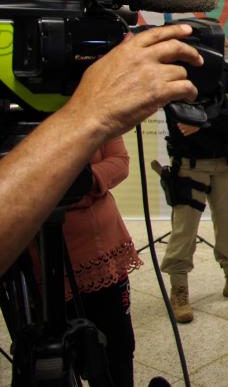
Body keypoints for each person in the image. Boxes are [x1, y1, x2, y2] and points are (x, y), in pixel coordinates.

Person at [0, 24, 202, 275]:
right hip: (35, 252)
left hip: (100, 235)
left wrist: (88, 180)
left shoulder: (90, 102)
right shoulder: (87, 106)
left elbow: (119, 161)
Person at [161, 26, 228, 323]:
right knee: (184, 230)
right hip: (190, 165)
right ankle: (179, 289)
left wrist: (203, 121)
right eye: (221, 41)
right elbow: (179, 119)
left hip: (225, 165)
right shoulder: (178, 75)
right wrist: (210, 121)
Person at [40, 136, 140, 386]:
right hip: (41, 260)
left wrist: (84, 183)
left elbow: (119, 162)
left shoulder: (95, 109)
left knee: (117, 348)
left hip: (104, 251)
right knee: (53, 356)